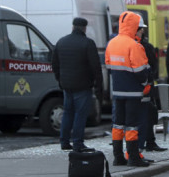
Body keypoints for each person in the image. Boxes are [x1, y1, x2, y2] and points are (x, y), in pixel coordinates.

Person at [105, 11, 151, 167]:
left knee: (117, 124)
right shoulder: (134, 45)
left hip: (117, 91)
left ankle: (118, 157)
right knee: (132, 125)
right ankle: (133, 157)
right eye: (140, 28)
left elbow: (109, 66)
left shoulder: (112, 43)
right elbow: (140, 71)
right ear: (134, 27)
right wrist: (145, 82)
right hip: (132, 92)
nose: (142, 31)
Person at [52, 17, 103, 152]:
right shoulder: (87, 43)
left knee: (68, 112)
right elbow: (96, 67)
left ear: (73, 27)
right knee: (80, 114)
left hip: (66, 85)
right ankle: (78, 142)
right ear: (84, 28)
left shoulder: (61, 42)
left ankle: (64, 141)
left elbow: (55, 64)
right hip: (83, 86)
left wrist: (60, 80)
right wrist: (99, 87)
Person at [138, 27, 167, 153]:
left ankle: (143, 142)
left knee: (141, 115)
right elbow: (154, 66)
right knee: (148, 114)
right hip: (146, 86)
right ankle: (148, 141)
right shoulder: (146, 47)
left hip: (135, 86)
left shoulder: (127, 44)